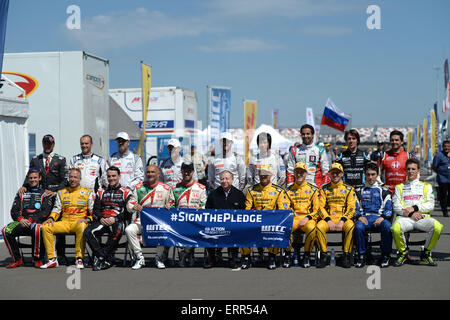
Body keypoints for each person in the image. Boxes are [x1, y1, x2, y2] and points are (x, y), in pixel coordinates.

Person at [391, 158, 444, 267]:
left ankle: (425, 253)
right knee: (395, 228)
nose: (411, 171)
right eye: (408, 169)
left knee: (438, 227)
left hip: (422, 218)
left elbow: (430, 205)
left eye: (413, 169)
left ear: (418, 171)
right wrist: (411, 214)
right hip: (405, 218)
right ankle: (403, 252)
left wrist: (415, 208)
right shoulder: (399, 187)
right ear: (405, 170)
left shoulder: (427, 186)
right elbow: (396, 207)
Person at [40, 168, 94, 269]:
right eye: (71, 177)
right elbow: (57, 209)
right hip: (65, 222)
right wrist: (51, 218)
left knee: (82, 227)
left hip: (79, 222)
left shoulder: (88, 192)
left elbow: (93, 212)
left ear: (80, 179)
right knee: (46, 227)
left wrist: (88, 220)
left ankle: (79, 258)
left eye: (75, 177)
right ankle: (52, 259)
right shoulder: (61, 192)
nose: (72, 179)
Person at [241, 164, 290, 270]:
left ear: (271, 175)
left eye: (266, 174)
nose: (264, 176)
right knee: (242, 228)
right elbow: (247, 209)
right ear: (258, 175)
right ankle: (246, 257)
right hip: (256, 220)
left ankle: (272, 257)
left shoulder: (279, 191)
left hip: (272, 220)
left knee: (277, 229)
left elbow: (282, 210)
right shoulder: (251, 190)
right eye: (261, 174)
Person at [125, 165, 174, 270]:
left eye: (152, 172)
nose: (150, 174)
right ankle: (139, 257)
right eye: (148, 172)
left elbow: (172, 202)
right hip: (141, 221)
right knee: (129, 230)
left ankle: (159, 258)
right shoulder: (139, 187)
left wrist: (169, 206)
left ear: (158, 174)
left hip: (159, 222)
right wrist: (134, 206)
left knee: (164, 230)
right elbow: (129, 204)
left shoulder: (166, 188)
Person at [83, 167, 132, 271]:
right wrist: (100, 218)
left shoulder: (126, 192)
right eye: (109, 176)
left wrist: (116, 218)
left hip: (117, 220)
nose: (111, 178)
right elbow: (96, 209)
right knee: (87, 232)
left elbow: (128, 212)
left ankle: (100, 257)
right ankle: (104, 257)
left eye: (114, 176)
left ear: (119, 176)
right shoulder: (101, 191)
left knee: (118, 230)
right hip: (103, 220)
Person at [2, 169, 53, 268]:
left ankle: (37, 259)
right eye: (30, 178)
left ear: (39, 178)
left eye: (35, 177)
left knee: (37, 228)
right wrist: (20, 219)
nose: (32, 180)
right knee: (5, 230)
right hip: (21, 222)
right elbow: (14, 210)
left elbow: (45, 212)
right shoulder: (21, 192)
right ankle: (16, 259)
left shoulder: (45, 194)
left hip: (36, 223)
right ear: (28, 179)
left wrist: (31, 219)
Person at [316, 163, 357, 268]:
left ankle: (346, 255)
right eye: (333, 173)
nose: (335, 175)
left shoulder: (349, 189)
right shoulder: (324, 189)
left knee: (351, 227)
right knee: (319, 227)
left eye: (337, 173)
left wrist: (342, 220)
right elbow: (320, 207)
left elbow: (351, 208)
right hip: (329, 218)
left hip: (344, 218)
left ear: (342, 174)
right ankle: (324, 255)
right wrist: (328, 220)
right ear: (329, 174)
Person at [354, 163, 393, 268]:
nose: (370, 177)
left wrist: (383, 218)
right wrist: (358, 216)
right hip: (364, 218)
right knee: (358, 227)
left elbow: (389, 208)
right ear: (364, 175)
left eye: (373, 174)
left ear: (377, 175)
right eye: (368, 174)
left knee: (388, 226)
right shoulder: (358, 191)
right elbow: (354, 207)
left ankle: (385, 255)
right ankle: (361, 255)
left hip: (379, 218)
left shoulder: (384, 191)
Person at [204, 170, 246, 269]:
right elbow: (207, 210)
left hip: (233, 226)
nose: (224, 181)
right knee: (208, 231)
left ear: (232, 180)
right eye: (222, 179)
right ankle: (212, 258)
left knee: (236, 232)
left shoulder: (239, 194)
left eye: (227, 178)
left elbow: (244, 211)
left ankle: (233, 258)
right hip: (216, 226)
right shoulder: (213, 194)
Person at [284, 162, 320, 268]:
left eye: (302, 172)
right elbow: (284, 205)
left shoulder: (313, 189)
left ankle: (307, 255)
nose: (299, 174)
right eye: (297, 172)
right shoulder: (288, 190)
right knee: (286, 227)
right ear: (293, 173)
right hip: (293, 218)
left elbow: (317, 210)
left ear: (306, 174)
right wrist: (288, 210)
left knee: (312, 228)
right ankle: (287, 254)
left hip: (308, 218)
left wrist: (307, 218)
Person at [172, 162, 207, 267]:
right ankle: (188, 253)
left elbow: (204, 205)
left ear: (193, 172)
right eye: (184, 170)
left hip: (195, 220)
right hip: (179, 220)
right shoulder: (174, 188)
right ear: (181, 171)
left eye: (189, 170)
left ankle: (185, 253)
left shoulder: (201, 188)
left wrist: (201, 208)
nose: (186, 172)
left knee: (193, 229)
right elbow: (171, 205)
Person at [286, 124, 330, 188]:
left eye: (308, 134)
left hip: (316, 188)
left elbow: (325, 171)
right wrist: (289, 186)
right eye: (303, 134)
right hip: (298, 188)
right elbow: (290, 171)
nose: (305, 136)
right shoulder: (294, 150)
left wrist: (325, 188)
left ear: (312, 135)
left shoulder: (320, 150)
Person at [337, 129, 371, 193]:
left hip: (361, 189)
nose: (351, 141)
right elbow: (336, 174)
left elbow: (371, 172)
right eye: (349, 139)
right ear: (346, 141)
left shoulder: (364, 155)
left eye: (353, 138)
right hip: (345, 190)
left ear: (357, 140)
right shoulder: (341, 156)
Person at [380, 130, 409, 195]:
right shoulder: (384, 155)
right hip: (388, 192)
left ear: (402, 142)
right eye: (392, 140)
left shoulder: (408, 156)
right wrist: (382, 185)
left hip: (403, 191)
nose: (394, 142)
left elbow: (414, 174)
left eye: (396, 140)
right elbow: (377, 173)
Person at [432, 140, 450, 217]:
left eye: (448, 146)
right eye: (445, 146)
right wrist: (440, 172)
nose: (446, 148)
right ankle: (444, 211)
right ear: (442, 147)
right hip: (443, 179)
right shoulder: (439, 155)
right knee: (443, 196)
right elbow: (434, 166)